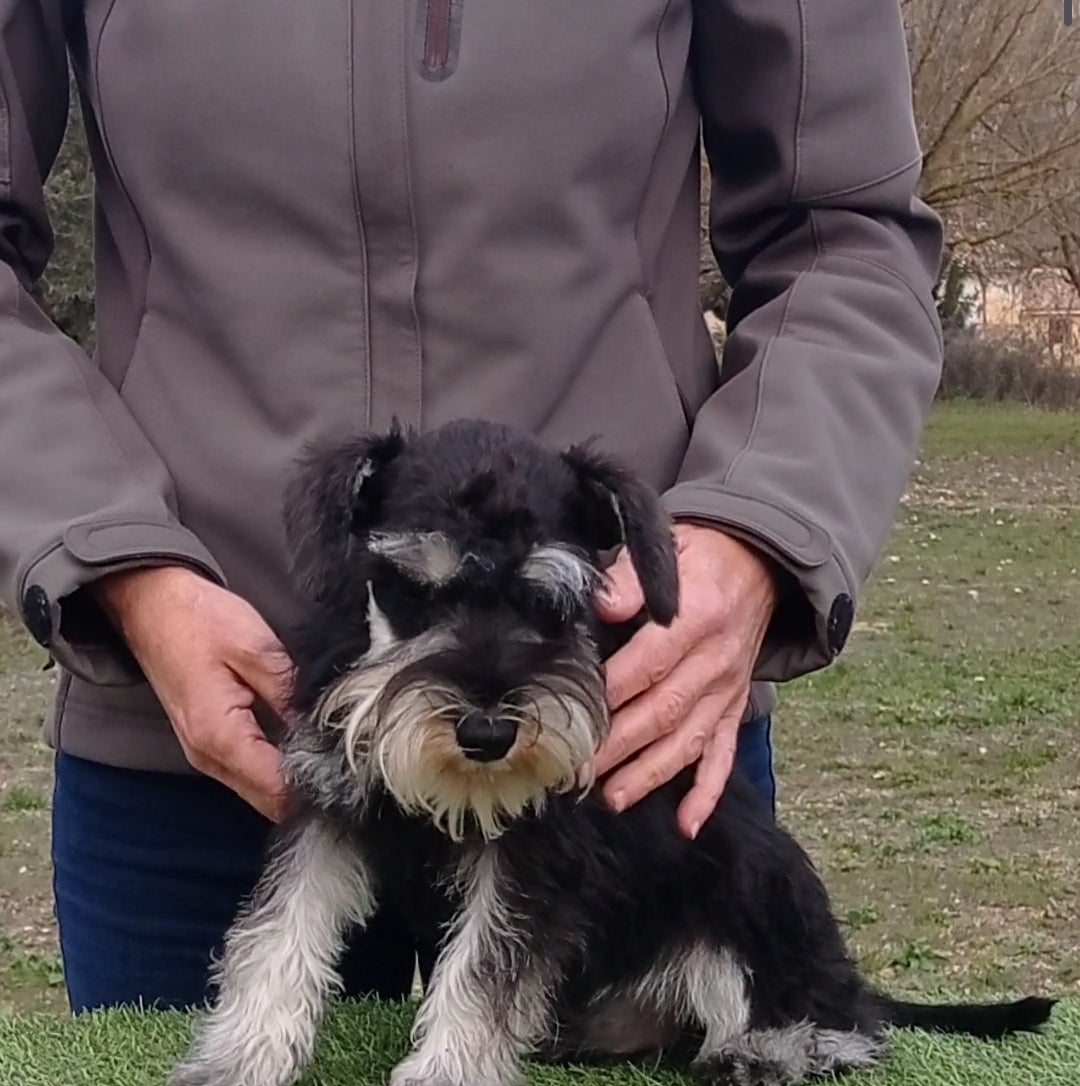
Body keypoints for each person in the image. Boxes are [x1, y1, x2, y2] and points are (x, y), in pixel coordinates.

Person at [0, 1, 942, 1013]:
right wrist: (116, 564)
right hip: (201, 735)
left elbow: (845, 229)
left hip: (614, 736)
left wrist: (765, 519)